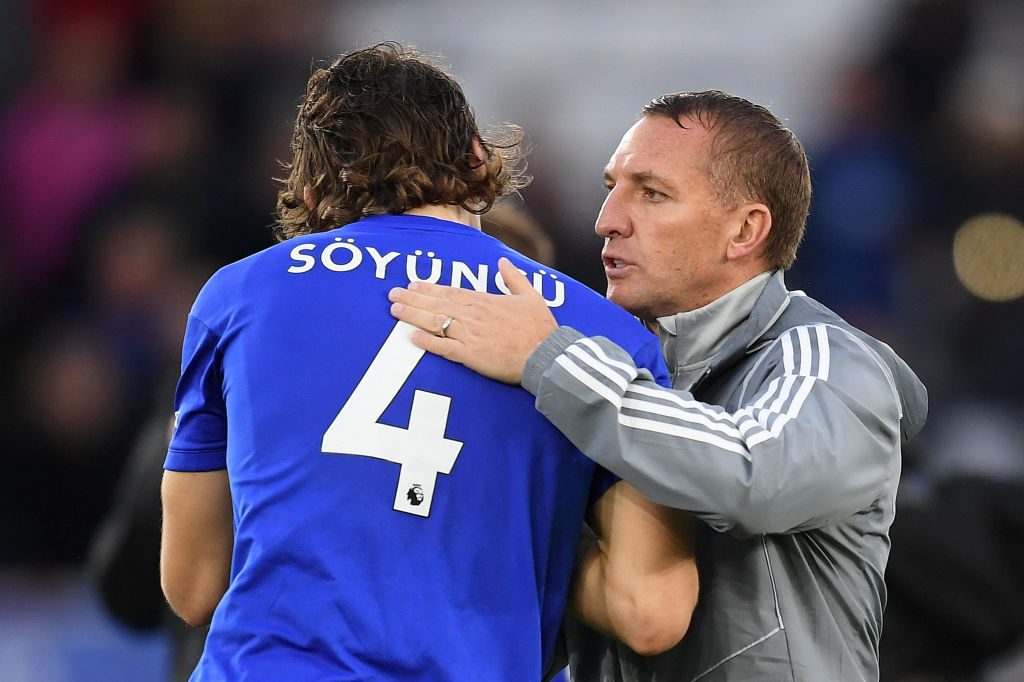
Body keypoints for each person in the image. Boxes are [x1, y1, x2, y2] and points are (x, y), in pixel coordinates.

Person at [159, 43, 698, 681]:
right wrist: (527, 535)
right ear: (478, 159)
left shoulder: (239, 294)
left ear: (309, 193)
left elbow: (192, 587)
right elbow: (649, 611)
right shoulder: (607, 333)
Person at [388, 90, 929, 681]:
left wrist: (549, 357)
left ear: (745, 230)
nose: (607, 221)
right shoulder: (601, 371)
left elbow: (755, 471)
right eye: (610, 188)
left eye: (651, 193)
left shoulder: (824, 358)